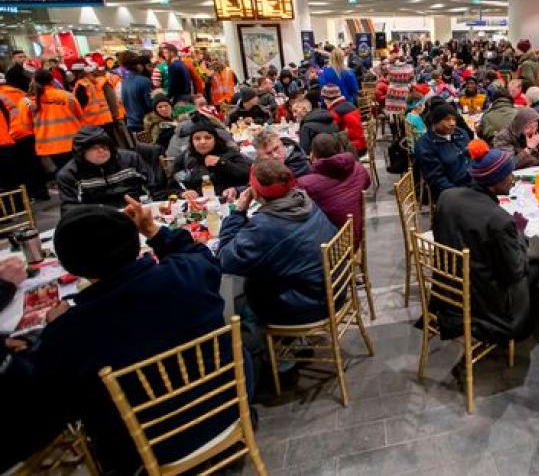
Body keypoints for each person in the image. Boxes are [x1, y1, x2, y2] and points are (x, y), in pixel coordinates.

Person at [20, 200, 234, 473]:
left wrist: (47, 333)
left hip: (144, 447)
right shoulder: (186, 274)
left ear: (71, 266)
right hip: (225, 405)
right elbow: (200, 255)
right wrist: (153, 229)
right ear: (135, 243)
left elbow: (55, 401)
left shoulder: (68, 333)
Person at [432, 139, 536, 344]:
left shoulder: (446, 197)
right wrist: (520, 234)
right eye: (509, 175)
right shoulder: (499, 219)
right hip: (484, 306)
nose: (512, 179)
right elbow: (514, 271)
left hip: (447, 292)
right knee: (536, 267)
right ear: (495, 181)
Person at [218, 159, 337, 326]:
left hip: (306, 306)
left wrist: (238, 213)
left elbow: (225, 259)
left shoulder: (266, 226)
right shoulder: (304, 200)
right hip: (331, 290)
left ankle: (256, 348)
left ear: (256, 192)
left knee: (240, 303)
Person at [56, 125, 158, 211]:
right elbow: (70, 209)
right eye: (93, 148)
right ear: (81, 152)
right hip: (100, 220)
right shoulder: (69, 174)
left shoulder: (131, 159)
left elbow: (153, 186)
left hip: (137, 209)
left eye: (104, 145)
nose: (101, 150)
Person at [297, 133, 371, 247]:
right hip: (356, 235)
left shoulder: (305, 184)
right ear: (340, 149)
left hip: (334, 246)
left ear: (313, 155)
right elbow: (367, 183)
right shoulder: (358, 168)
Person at [28, 68, 84, 170]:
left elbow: (26, 124)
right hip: (73, 141)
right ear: (52, 79)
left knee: (64, 172)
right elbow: (80, 116)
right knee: (80, 170)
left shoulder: (30, 101)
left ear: (34, 81)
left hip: (50, 145)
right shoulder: (67, 96)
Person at [413, 102, 471, 199]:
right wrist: (459, 195)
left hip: (472, 184)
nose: (452, 123)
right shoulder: (425, 145)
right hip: (451, 193)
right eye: (447, 120)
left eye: (454, 119)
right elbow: (436, 179)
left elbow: (472, 157)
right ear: (435, 122)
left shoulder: (460, 133)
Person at [174, 123, 251, 195]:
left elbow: (247, 175)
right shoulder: (184, 158)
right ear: (192, 141)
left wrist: (222, 163)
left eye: (208, 138)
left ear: (215, 140)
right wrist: (182, 194)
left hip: (229, 199)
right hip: (197, 204)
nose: (203, 142)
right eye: (197, 138)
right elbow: (170, 187)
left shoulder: (230, 153)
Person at [321, 84, 366, 154]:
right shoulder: (350, 105)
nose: (324, 101)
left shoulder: (335, 112)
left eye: (324, 99)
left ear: (327, 99)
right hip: (361, 143)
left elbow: (329, 130)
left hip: (352, 148)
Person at [118, 51, 153, 133]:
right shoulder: (144, 81)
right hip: (145, 124)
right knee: (152, 145)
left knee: (141, 145)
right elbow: (150, 104)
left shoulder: (123, 82)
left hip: (131, 123)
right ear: (138, 65)